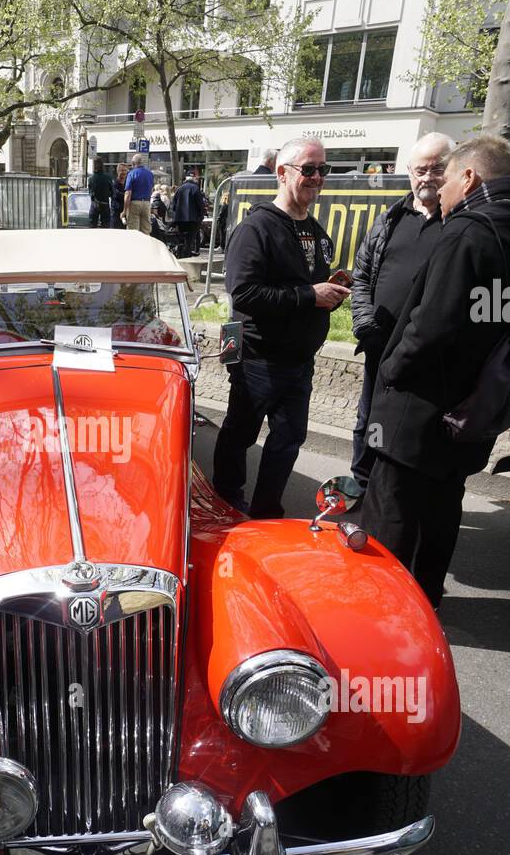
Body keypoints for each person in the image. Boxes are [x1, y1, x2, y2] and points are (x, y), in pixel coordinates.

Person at [361, 135, 510, 608]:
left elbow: (431, 325)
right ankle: (424, 603)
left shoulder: (468, 231)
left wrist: (390, 369)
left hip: (419, 410)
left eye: (445, 179)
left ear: (469, 178)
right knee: (443, 509)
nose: (439, 190)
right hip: (474, 410)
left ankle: (385, 612)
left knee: (393, 513)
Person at [212, 138, 348, 518]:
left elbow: (310, 286)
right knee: (240, 433)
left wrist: (330, 293)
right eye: (309, 169)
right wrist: (309, 295)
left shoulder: (318, 233)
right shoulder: (256, 228)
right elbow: (244, 293)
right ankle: (225, 500)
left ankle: (266, 511)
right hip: (257, 357)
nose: (317, 177)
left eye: (323, 169)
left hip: (300, 361)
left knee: (288, 441)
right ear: (282, 173)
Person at [349, 133, 454, 491]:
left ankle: (393, 496)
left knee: (410, 430)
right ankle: (360, 489)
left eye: (436, 168)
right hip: (380, 348)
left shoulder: (460, 224)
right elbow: (360, 276)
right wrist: (365, 325)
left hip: (428, 358)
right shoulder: (390, 219)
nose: (426, 177)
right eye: (419, 170)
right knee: (367, 420)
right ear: (408, 172)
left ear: (452, 170)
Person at [168, 168, 207, 257]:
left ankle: (180, 255)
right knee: (189, 241)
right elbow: (200, 205)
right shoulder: (195, 189)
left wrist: (175, 217)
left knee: (181, 240)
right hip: (193, 220)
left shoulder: (179, 189)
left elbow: (173, 205)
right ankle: (186, 257)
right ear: (194, 178)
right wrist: (201, 216)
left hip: (180, 219)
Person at [122, 153, 154, 234]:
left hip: (134, 203)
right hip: (146, 203)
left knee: (133, 232)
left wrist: (124, 211)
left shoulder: (132, 173)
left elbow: (128, 193)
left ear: (133, 163)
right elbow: (151, 190)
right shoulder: (150, 174)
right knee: (146, 231)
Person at [88, 157, 114, 228]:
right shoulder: (108, 178)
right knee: (105, 227)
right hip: (105, 204)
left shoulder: (91, 178)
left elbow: (91, 193)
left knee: (92, 226)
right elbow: (112, 193)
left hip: (95, 204)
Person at [110, 162, 128, 229]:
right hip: (116, 214)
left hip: (126, 213)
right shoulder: (114, 184)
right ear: (118, 171)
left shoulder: (128, 183)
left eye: (125, 170)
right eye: (122, 170)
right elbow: (117, 195)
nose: (123, 172)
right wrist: (127, 195)